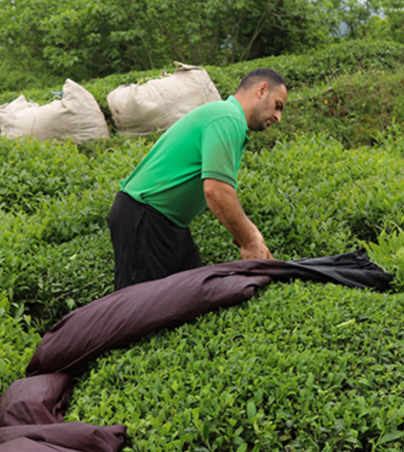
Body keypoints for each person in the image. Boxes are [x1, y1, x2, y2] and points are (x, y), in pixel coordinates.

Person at [108, 67, 287, 291]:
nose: (278, 117)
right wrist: (249, 242)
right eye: (278, 106)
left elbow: (222, 193)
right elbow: (217, 191)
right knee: (137, 311)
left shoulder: (228, 119)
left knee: (190, 299)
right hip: (144, 217)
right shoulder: (227, 117)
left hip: (173, 225)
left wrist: (252, 233)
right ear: (262, 90)